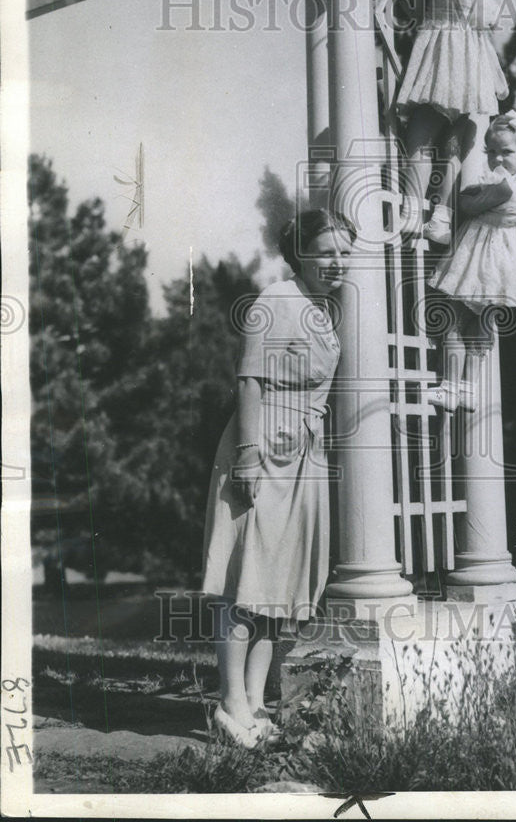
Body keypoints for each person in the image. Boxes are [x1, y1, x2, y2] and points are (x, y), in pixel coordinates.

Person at [202, 209, 355, 747]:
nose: (336, 261)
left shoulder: (326, 309)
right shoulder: (276, 301)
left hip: (304, 452)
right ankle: (229, 705)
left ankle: (255, 702)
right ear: (300, 252)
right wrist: (246, 456)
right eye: (326, 250)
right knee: (247, 579)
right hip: (262, 443)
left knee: (279, 584)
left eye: (344, 251)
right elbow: (247, 382)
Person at [392, 0, 509, 243]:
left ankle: (412, 211)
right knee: (455, 140)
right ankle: (440, 218)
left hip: (446, 52)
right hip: (470, 60)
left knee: (422, 135)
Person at [426, 111, 516, 411]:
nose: (498, 160)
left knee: (455, 318)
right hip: (505, 264)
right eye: (492, 153)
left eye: (506, 152)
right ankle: (470, 390)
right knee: (482, 324)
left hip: (482, 257)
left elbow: (468, 204)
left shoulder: (504, 185)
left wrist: (470, 193)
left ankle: (450, 387)